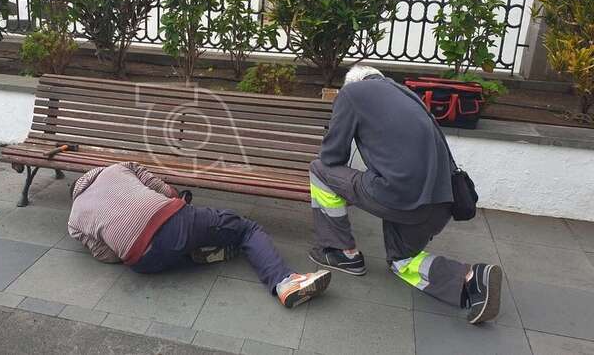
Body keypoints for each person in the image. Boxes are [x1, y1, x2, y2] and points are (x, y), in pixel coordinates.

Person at [307, 64, 502, 324]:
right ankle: (470, 279)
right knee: (402, 261)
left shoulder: (352, 94)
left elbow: (332, 157)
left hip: (398, 198)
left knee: (319, 170)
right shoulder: (407, 94)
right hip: (440, 203)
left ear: (351, 83)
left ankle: (342, 252)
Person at [68, 161, 331, 308]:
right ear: (92, 174)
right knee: (246, 229)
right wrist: (175, 200)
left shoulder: (74, 220)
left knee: (168, 247)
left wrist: (125, 235)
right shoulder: (116, 168)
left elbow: (107, 255)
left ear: (76, 194)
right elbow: (160, 187)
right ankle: (284, 281)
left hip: (142, 262)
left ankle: (197, 255)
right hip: (174, 221)